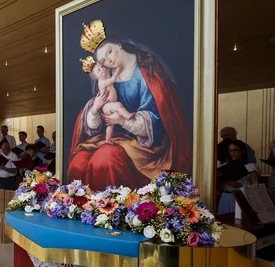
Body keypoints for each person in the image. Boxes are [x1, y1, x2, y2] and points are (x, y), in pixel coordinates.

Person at [68, 36, 193, 190]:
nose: (108, 61)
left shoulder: (147, 71)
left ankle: (108, 208)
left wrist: (122, 121)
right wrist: (95, 108)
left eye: (109, 52)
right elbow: (100, 107)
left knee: (105, 159)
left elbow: (156, 117)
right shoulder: (106, 74)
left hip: (144, 145)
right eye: (103, 61)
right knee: (78, 162)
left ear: (119, 45)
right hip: (115, 137)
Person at [87, 60, 135, 145]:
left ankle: (108, 139)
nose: (102, 69)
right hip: (107, 106)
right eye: (99, 70)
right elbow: (113, 80)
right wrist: (117, 71)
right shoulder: (102, 82)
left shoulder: (105, 77)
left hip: (110, 105)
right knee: (119, 105)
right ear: (96, 77)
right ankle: (127, 115)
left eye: (102, 67)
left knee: (111, 125)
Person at [217, 140, 260, 215]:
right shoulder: (224, 166)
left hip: (241, 198)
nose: (232, 153)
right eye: (230, 151)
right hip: (225, 197)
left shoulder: (250, 166)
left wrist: (239, 185)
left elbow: (256, 187)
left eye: (235, 150)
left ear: (242, 151)